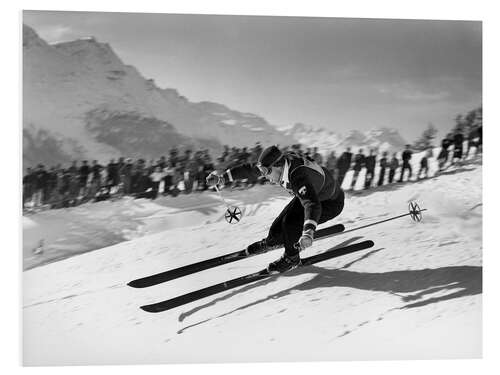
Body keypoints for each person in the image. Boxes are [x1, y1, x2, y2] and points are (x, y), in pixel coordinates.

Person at [206, 145, 344, 273]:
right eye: (263, 172)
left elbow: (312, 204)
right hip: (313, 193)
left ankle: (291, 258)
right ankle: (272, 241)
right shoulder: (279, 164)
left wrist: (308, 231)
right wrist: (221, 178)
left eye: (266, 172)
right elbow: (249, 170)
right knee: (279, 224)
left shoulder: (298, 176)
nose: (265, 177)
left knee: (291, 223)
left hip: (329, 203)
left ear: (278, 166)